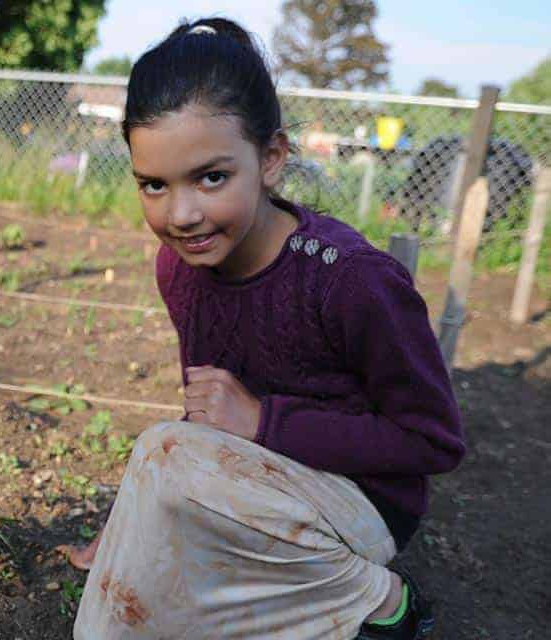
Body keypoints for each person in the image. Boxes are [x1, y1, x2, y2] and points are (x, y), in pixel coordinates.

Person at [67, 16, 466, 640]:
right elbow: (206, 418)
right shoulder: (180, 266)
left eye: (212, 176)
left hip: (363, 502)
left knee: (159, 454)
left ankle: (380, 600)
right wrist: (131, 525)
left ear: (272, 158)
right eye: (154, 184)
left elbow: (433, 441)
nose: (182, 214)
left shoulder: (351, 280)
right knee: (140, 561)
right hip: (266, 482)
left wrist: (263, 422)